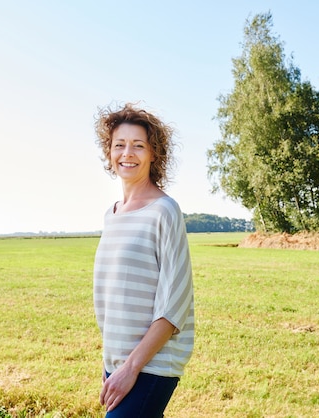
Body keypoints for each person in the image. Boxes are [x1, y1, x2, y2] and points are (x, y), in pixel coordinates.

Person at [93, 103, 195, 417]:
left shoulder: (164, 210)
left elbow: (173, 304)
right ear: (109, 153)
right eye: (119, 145)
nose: (128, 153)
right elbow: (112, 298)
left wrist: (131, 368)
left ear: (154, 154)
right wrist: (110, 363)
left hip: (152, 364)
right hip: (120, 363)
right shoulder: (111, 215)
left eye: (139, 146)